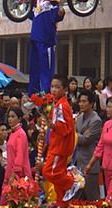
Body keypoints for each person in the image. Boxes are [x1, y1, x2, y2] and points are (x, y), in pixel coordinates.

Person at [41, 75, 78, 203]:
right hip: (56, 144)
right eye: (52, 87)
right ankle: (62, 203)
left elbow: (64, 128)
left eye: (57, 87)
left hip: (59, 146)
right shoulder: (57, 104)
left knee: (49, 172)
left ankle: (71, 183)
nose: (54, 90)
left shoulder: (62, 105)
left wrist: (52, 125)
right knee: (58, 180)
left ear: (64, 89)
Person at [27, 0, 65, 95]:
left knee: (46, 72)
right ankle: (33, 94)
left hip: (46, 41)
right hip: (35, 39)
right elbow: (29, 14)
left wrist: (61, 5)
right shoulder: (37, 1)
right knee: (34, 70)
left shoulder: (53, 2)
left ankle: (46, 96)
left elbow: (59, 14)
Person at [75, 90, 102, 201]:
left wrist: (72, 133)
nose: (81, 104)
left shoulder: (96, 120)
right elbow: (80, 136)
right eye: (80, 101)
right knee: (77, 199)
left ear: (91, 104)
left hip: (90, 164)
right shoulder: (80, 117)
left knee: (92, 198)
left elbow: (86, 139)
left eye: (84, 101)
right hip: (78, 163)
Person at [0, 107, 31, 204]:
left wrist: (14, 173)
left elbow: (20, 155)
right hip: (10, 171)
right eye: (9, 117)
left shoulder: (21, 134)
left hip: (18, 174)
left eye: (13, 117)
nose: (10, 119)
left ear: (19, 118)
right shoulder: (13, 133)